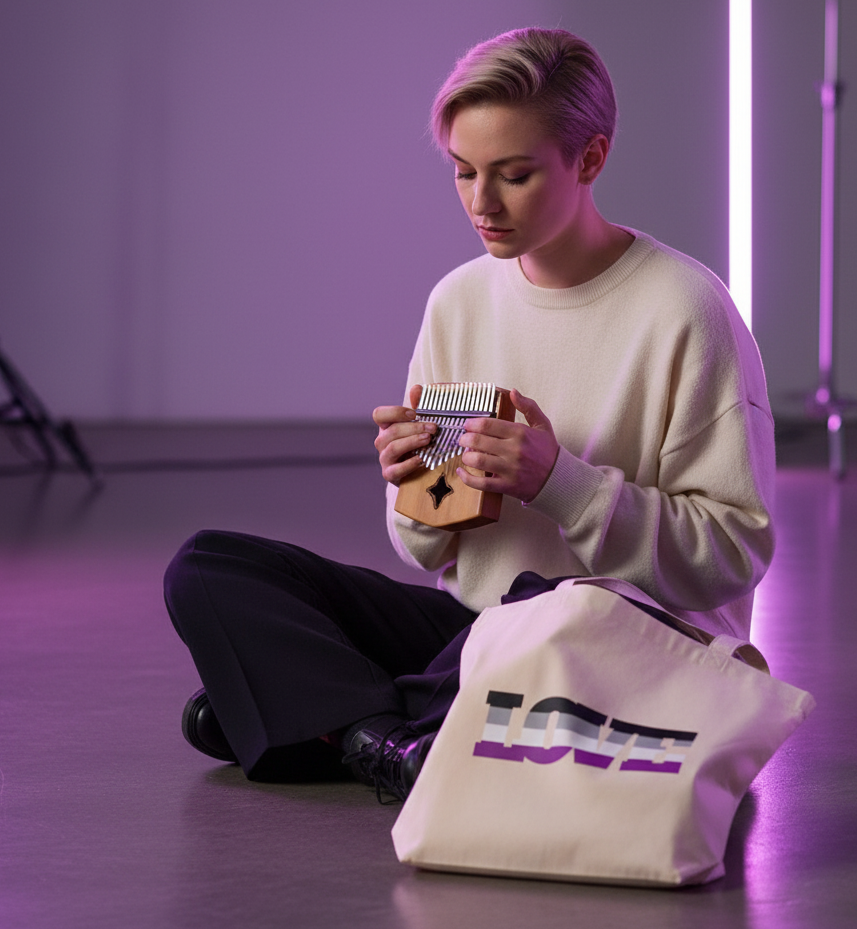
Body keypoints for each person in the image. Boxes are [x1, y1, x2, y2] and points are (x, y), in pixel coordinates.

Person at [165, 27, 775, 801]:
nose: (481, 204)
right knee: (212, 567)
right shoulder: (458, 301)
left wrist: (562, 483)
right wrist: (420, 491)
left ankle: (319, 716)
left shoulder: (688, 311)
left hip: (623, 646)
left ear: (590, 159)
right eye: (463, 172)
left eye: (514, 176)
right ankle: (383, 737)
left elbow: (732, 555)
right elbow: (426, 551)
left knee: (558, 602)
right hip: (479, 640)